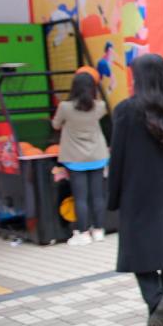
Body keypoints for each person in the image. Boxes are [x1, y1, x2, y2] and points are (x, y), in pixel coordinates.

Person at [107, 54, 163, 326]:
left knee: (135, 248)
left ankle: (156, 297)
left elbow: (117, 156)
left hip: (136, 190)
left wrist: (113, 196)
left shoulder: (127, 110)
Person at [51, 71, 108, 246]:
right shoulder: (100, 106)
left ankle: (83, 233)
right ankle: (98, 231)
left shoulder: (65, 108)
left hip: (75, 158)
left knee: (80, 197)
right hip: (97, 155)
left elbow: (55, 124)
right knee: (98, 196)